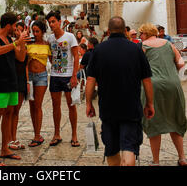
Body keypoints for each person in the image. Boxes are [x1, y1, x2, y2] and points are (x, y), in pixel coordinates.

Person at [85, 16, 155, 167]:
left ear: (108, 31)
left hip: (108, 109)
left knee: (111, 150)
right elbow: (147, 80)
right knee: (129, 149)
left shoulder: (98, 50)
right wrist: (150, 103)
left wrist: (88, 103)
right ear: (125, 31)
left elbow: (90, 80)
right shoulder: (136, 50)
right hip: (130, 108)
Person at [139, 23, 187, 166]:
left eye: (141, 34)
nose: (140, 36)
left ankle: (156, 161)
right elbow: (181, 63)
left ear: (146, 34)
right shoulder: (168, 44)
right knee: (175, 119)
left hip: (152, 86)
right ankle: (182, 158)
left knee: (154, 122)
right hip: (173, 84)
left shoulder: (142, 46)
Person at [0, 12, 30, 166]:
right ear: (8, 25)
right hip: (0, 83)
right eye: (14, 26)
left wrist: (22, 42)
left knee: (9, 114)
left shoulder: (11, 39)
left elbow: (20, 58)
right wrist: (15, 43)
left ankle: (5, 148)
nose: (15, 28)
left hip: (12, 82)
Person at [46, 10, 80, 147]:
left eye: (53, 21)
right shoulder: (50, 39)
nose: (51, 24)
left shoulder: (70, 37)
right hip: (55, 75)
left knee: (71, 106)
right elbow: (50, 54)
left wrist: (74, 76)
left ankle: (74, 135)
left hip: (67, 75)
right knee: (55, 106)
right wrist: (53, 63)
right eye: (49, 23)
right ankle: (56, 134)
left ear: (59, 22)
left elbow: (76, 56)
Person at [27, 19, 51, 147]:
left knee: (37, 105)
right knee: (31, 106)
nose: (35, 33)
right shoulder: (28, 43)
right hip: (30, 76)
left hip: (41, 76)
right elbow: (25, 63)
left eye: (37, 31)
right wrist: (26, 80)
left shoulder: (47, 45)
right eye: (33, 31)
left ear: (42, 32)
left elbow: (53, 60)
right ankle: (36, 132)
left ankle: (37, 135)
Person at [8, 21, 29, 151]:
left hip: (21, 79)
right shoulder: (11, 44)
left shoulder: (26, 46)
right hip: (11, 79)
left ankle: (13, 137)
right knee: (9, 111)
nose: (18, 33)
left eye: (21, 30)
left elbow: (25, 64)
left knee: (16, 111)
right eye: (17, 30)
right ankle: (8, 139)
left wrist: (27, 82)